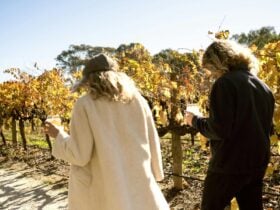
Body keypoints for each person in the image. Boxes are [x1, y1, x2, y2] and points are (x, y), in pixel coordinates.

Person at [44, 53, 169, 210]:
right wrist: (157, 172)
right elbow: (152, 139)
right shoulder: (138, 101)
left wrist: (59, 135)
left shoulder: (85, 105)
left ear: (89, 79)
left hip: (104, 187)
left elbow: (79, 154)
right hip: (138, 181)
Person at [185, 40, 275, 210]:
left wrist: (194, 120)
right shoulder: (263, 86)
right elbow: (268, 128)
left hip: (229, 165)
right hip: (257, 162)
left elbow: (219, 129)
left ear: (218, 62)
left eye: (210, 68)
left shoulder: (224, 83)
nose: (211, 74)